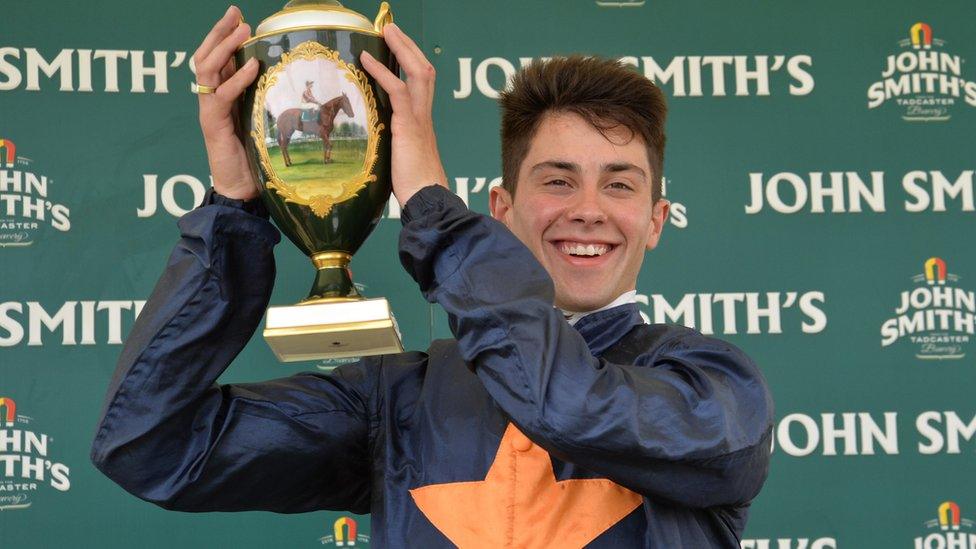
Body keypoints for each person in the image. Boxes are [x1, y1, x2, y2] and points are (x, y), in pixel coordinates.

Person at [90, 5, 773, 548]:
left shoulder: (714, 387)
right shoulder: (402, 399)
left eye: (618, 185)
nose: (587, 211)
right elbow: (149, 442)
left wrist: (434, 218)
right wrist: (235, 210)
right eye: (557, 180)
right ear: (501, 210)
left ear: (656, 220)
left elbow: (568, 404)